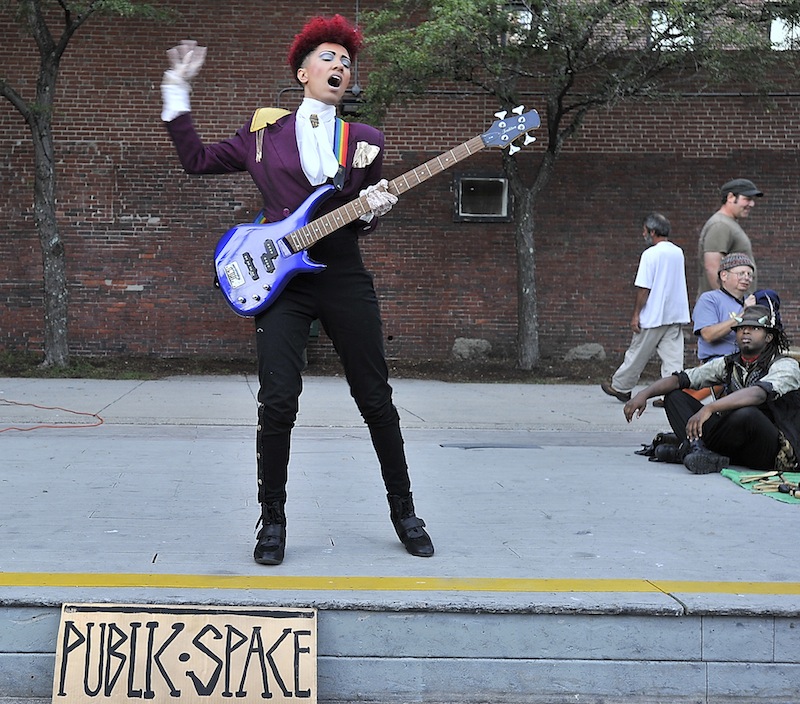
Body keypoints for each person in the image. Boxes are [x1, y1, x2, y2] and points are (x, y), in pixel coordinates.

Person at [160, 15, 434, 565]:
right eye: (329, 57)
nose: (340, 65)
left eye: (347, 61)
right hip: (282, 283)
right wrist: (177, 90)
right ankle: (273, 519)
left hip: (343, 276)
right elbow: (195, 161)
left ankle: (405, 511)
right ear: (303, 71)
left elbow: (361, 221)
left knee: (375, 398)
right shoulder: (263, 136)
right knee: (278, 401)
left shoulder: (367, 140)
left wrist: (375, 211)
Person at [623, 301, 800, 475]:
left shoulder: (785, 365)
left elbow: (759, 394)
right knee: (674, 396)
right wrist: (644, 394)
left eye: (755, 328)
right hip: (735, 439)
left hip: (770, 448)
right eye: (741, 328)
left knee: (747, 413)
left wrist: (710, 407)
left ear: (768, 337)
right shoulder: (729, 363)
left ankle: (688, 450)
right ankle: (698, 450)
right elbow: (682, 379)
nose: (745, 331)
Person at [600, 212, 690, 403]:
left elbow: (643, 288)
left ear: (653, 231)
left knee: (637, 353)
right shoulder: (677, 252)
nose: (643, 234)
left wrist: (636, 314)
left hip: (654, 314)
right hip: (675, 313)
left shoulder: (650, 254)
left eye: (645, 231)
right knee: (673, 358)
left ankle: (621, 387)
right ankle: (672, 394)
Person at [697, 178, 762, 297]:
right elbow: (712, 267)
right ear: (731, 197)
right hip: (724, 312)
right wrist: (728, 302)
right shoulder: (720, 225)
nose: (752, 204)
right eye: (747, 199)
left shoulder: (728, 223)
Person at [692, 253, 756, 363]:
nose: (746, 278)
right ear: (724, 276)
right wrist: (743, 314)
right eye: (741, 274)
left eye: (749, 275)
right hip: (717, 362)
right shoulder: (710, 299)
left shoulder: (751, 302)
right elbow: (708, 335)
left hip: (746, 362)